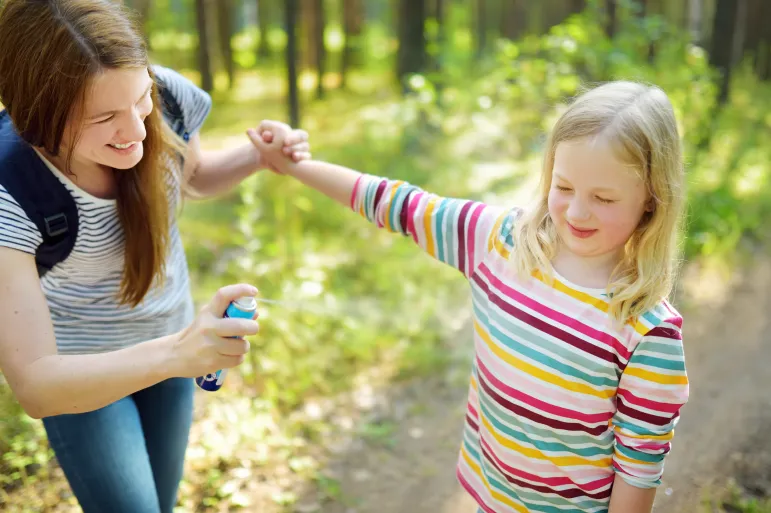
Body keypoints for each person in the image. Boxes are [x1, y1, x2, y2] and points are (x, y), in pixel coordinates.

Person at [250, 81, 690, 513]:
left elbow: (638, 471)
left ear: (651, 200)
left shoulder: (647, 332)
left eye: (604, 198)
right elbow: (400, 205)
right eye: (564, 187)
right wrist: (293, 166)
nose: (576, 211)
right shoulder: (499, 242)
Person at [0, 0, 310, 512]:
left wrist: (259, 156)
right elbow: (36, 385)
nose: (138, 131)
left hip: (171, 340)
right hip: (83, 375)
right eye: (104, 118)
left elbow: (191, 176)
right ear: (37, 115)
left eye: (139, 100)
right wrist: (180, 353)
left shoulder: (165, 96)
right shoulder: (10, 186)